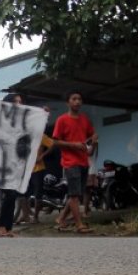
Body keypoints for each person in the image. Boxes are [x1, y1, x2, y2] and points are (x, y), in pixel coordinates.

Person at [53, 90, 97, 234]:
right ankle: (79, 224)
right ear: (68, 102)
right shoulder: (62, 120)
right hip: (70, 162)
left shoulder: (85, 119)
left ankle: (61, 219)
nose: (77, 101)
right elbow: (55, 142)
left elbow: (91, 138)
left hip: (84, 161)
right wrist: (74, 145)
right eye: (74, 99)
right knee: (74, 195)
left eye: (79, 99)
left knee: (76, 194)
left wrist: (94, 141)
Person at [0, 93, 24, 237]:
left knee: (13, 195)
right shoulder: (1, 120)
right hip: (2, 163)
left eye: (20, 102)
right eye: (15, 102)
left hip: (15, 163)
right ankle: (2, 226)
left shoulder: (21, 121)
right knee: (7, 195)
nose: (18, 104)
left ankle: (8, 227)